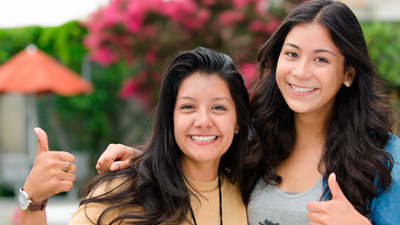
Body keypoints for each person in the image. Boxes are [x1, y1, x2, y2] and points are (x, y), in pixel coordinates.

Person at [97, 0, 400, 224]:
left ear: (348, 73)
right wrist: (146, 160)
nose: (300, 71)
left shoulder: (385, 158)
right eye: (291, 54)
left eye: (321, 60)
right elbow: (199, 160)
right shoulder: (256, 138)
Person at [18, 47, 251, 225]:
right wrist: (33, 198)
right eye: (188, 107)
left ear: (238, 121)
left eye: (219, 108)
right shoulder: (122, 191)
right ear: (169, 119)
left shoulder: (249, 191)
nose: (203, 121)